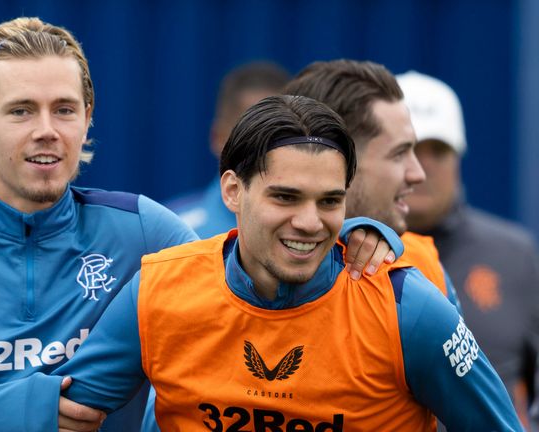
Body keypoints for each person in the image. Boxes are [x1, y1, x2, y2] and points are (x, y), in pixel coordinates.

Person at [0, 17, 393, 432]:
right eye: (21, 110)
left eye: (65, 109)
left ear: (87, 118)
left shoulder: (142, 228)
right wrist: (26, 408)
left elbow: (254, 283)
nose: (47, 130)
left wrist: (357, 236)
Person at [56, 95, 521, 430]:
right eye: (285, 197)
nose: (310, 222)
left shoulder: (406, 307)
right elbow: (64, 412)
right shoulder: (159, 289)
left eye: (329, 201)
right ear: (233, 190)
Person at [397, 70, 539, 428]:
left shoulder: (516, 255)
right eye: (407, 149)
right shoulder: (342, 254)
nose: (422, 166)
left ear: (459, 156)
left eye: (438, 150)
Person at [283, 60, 460, 303]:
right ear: (338, 162)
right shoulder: (221, 272)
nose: (418, 174)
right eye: (399, 153)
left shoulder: (421, 267)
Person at [166, 61, 290, 238]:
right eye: (252, 135)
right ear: (219, 138)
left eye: (281, 135)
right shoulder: (171, 231)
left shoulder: (318, 232)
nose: (268, 149)